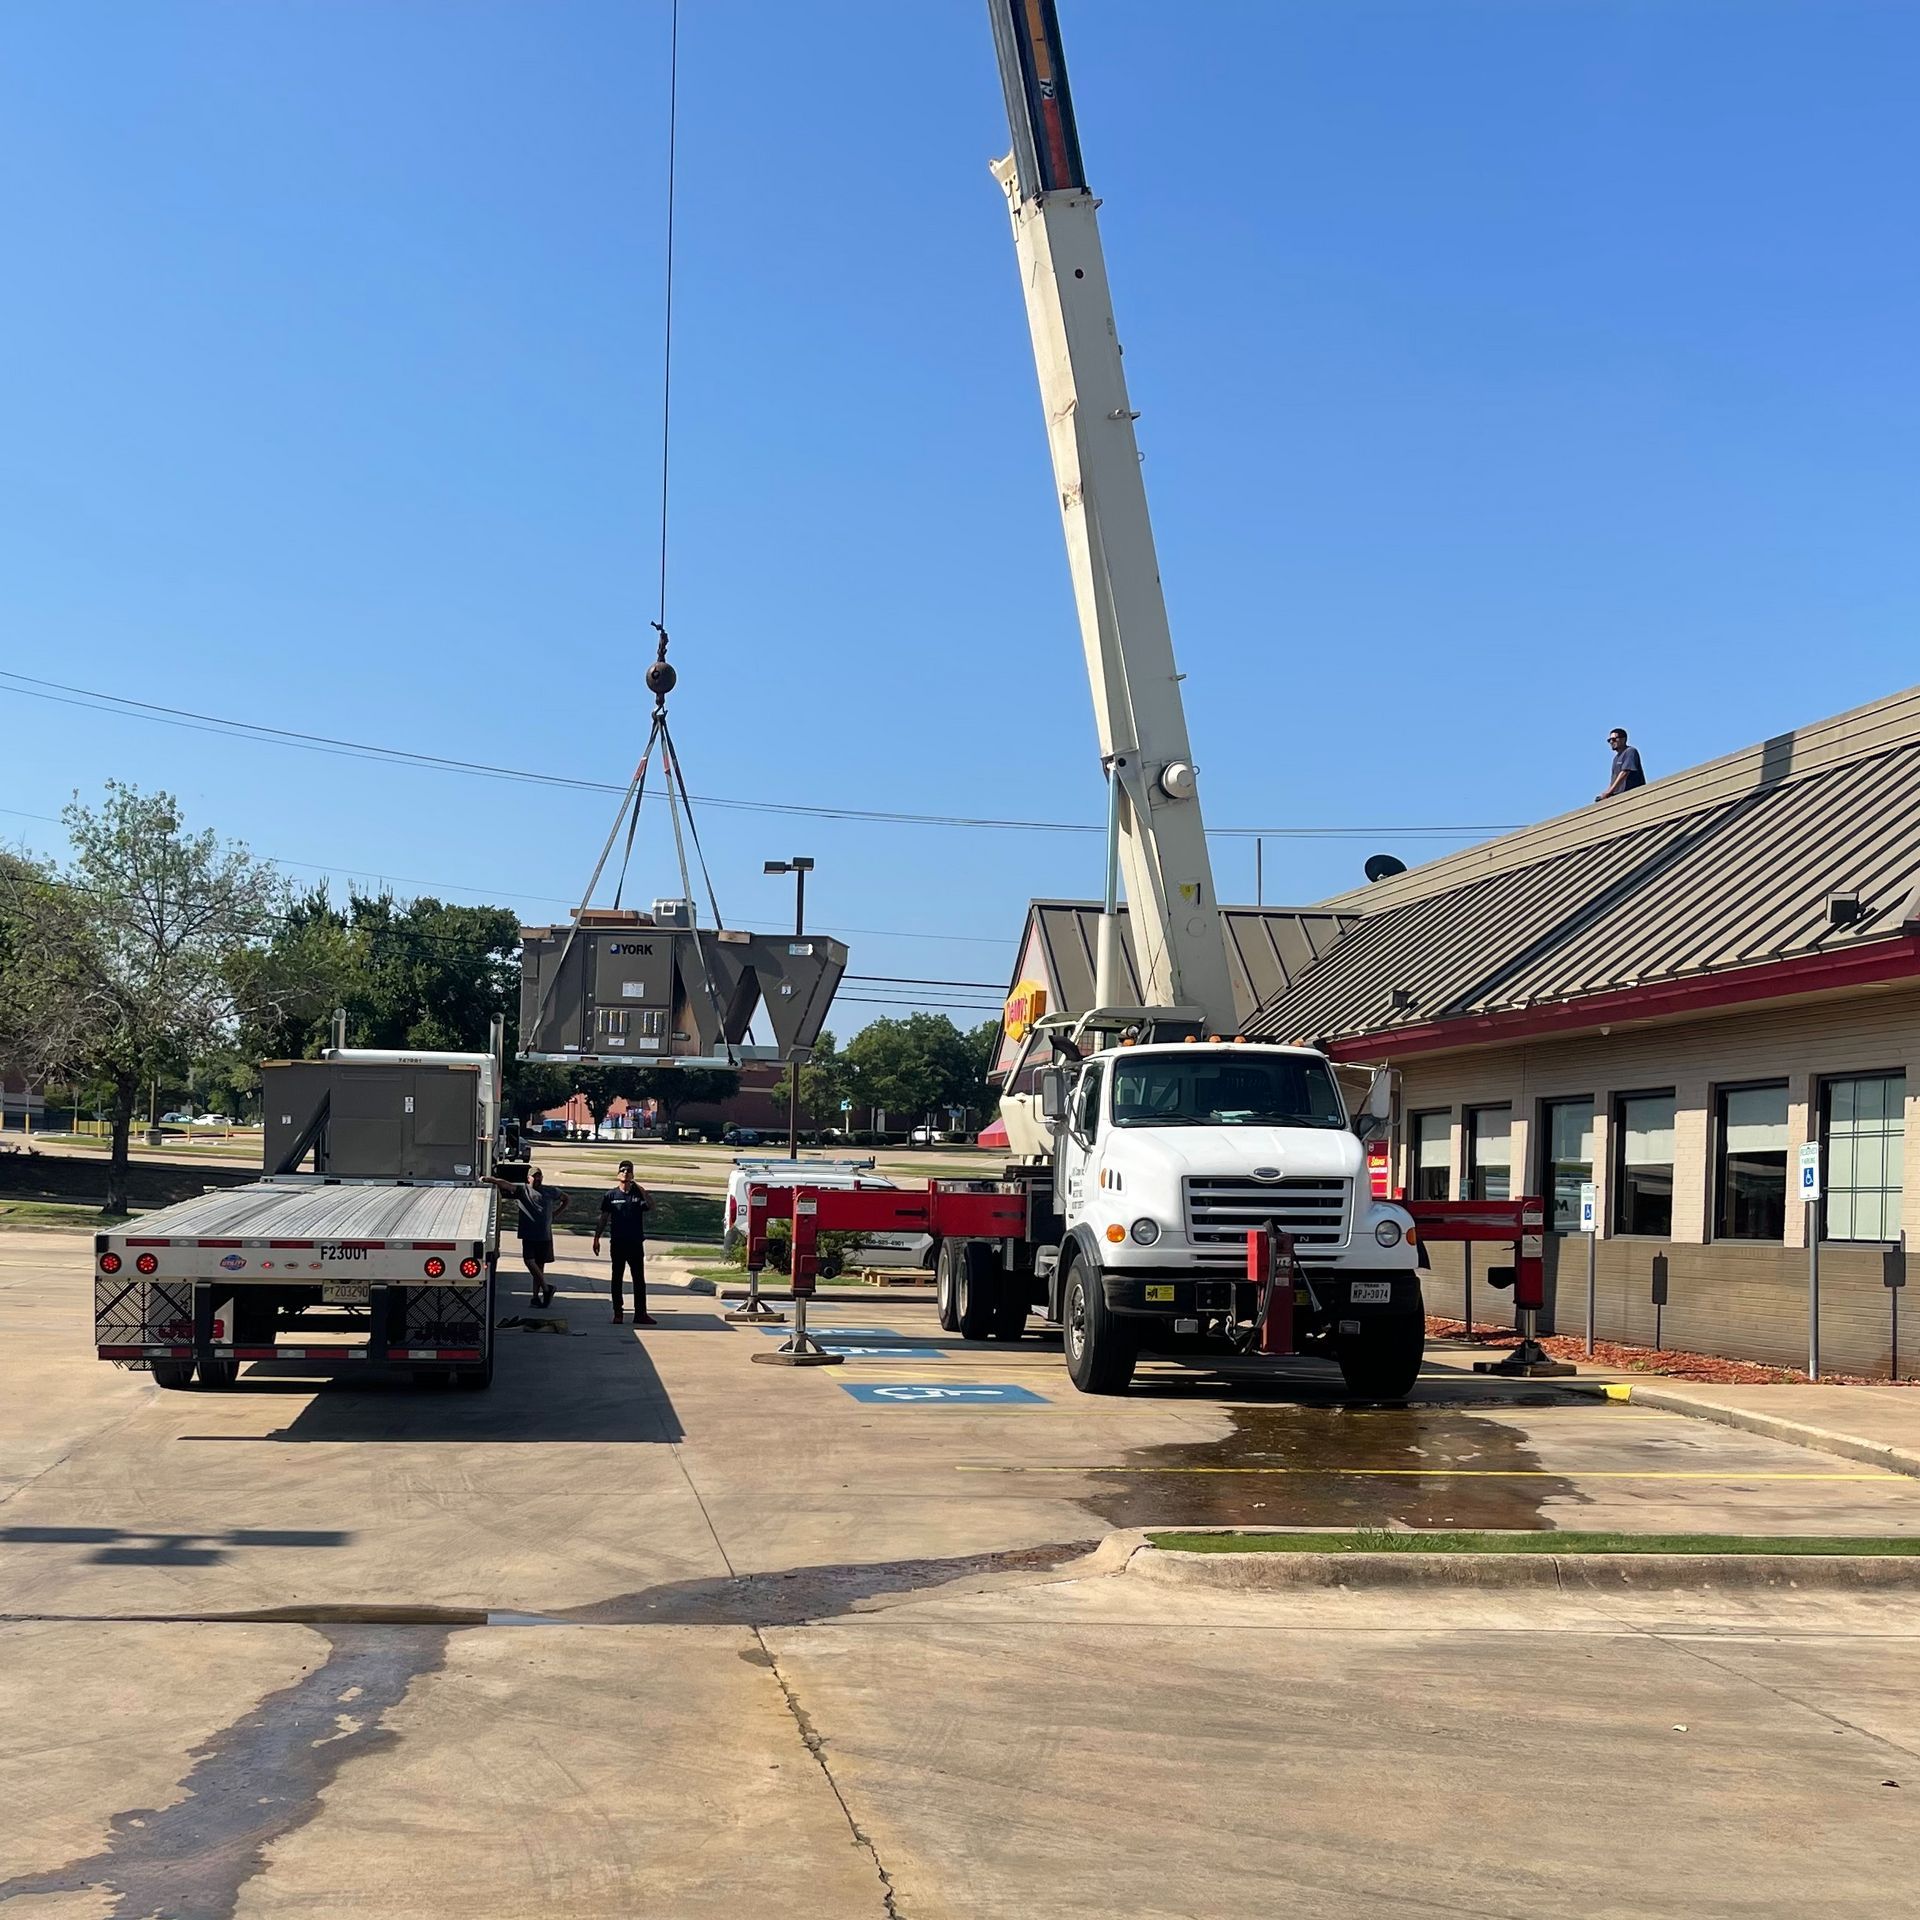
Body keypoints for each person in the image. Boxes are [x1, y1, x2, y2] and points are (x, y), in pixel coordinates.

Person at [487, 1165, 569, 1308]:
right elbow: (506, 1184)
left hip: (544, 1235)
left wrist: (555, 1214)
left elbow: (566, 1199)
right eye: (534, 1176)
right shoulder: (523, 1190)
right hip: (528, 1234)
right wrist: (491, 1179)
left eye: (539, 1176)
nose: (537, 1179)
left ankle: (536, 1297)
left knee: (539, 1267)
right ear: (528, 1178)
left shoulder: (550, 1191)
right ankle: (547, 1289)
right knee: (529, 1262)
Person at [594, 1159, 654, 1326]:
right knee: (617, 1278)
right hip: (618, 1243)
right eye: (622, 1170)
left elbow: (650, 1205)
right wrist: (596, 1238)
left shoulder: (637, 1195)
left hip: (635, 1243)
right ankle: (618, 1313)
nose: (625, 1173)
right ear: (617, 1174)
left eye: (628, 1171)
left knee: (639, 1280)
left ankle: (641, 1314)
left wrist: (641, 1189)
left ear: (633, 1174)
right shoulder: (611, 1196)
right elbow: (604, 1218)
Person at [1597, 727, 1646, 801]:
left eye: (1614, 739)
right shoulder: (1616, 759)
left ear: (1623, 739)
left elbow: (1624, 773)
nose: (1611, 742)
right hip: (1619, 796)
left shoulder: (1630, 751)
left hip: (1632, 795)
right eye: (1609, 740)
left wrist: (1609, 792)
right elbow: (1614, 778)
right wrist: (1607, 793)